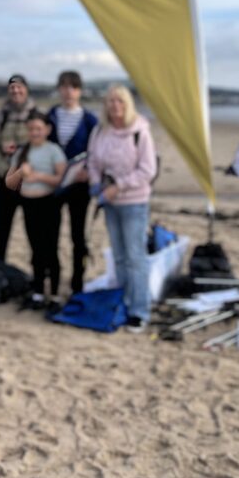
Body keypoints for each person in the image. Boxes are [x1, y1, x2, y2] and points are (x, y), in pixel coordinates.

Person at [87, 84, 157, 332]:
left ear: (128, 105)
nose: (115, 106)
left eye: (120, 101)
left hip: (134, 202)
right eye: (111, 101)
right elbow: (93, 161)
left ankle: (140, 310)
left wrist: (119, 186)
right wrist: (97, 183)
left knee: (135, 257)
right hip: (109, 203)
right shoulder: (100, 131)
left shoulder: (140, 132)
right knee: (119, 256)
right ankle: (124, 301)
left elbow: (148, 170)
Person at [5, 110, 67, 312]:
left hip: (49, 205)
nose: (35, 132)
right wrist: (22, 172)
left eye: (39, 129)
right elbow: (9, 182)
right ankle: (39, 292)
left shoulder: (53, 150)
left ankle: (55, 294)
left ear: (47, 130)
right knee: (36, 250)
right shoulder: (22, 151)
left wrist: (39, 176)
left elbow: (62, 178)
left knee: (51, 250)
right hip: (29, 206)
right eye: (31, 129)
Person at [46, 70, 99, 295]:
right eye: (64, 86)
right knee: (51, 235)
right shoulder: (50, 116)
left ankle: (78, 282)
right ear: (59, 89)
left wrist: (88, 171)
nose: (68, 91)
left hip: (79, 187)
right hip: (54, 186)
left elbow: (97, 151)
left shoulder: (89, 119)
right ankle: (54, 281)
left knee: (78, 237)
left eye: (73, 87)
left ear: (79, 90)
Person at [0, 74, 36, 261]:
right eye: (12, 88)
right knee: (0, 229)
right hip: (4, 179)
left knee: (34, 229)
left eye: (19, 87)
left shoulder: (36, 113)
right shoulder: (2, 115)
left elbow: (42, 145)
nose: (16, 91)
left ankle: (38, 276)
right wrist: (4, 171)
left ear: (27, 89)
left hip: (29, 180)